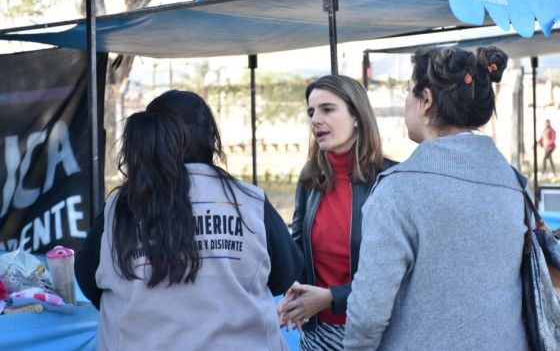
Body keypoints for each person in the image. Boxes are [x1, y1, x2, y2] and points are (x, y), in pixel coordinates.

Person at [75, 90, 303, 350]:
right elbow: (285, 274)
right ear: (210, 139)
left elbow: (87, 279)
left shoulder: (119, 207)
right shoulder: (248, 200)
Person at [344, 46, 528, 350]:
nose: (406, 101)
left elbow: (367, 315)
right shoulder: (512, 183)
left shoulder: (399, 190)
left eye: (408, 91)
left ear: (426, 100)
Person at [277, 75, 396, 350]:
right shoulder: (310, 179)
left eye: (327, 109)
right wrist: (294, 291)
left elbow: (394, 275)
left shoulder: (391, 179)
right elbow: (299, 249)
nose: (315, 120)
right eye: (311, 112)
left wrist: (332, 297)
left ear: (357, 116)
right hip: (316, 334)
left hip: (373, 335)